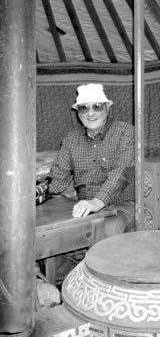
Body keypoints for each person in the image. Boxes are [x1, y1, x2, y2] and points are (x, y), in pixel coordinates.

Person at [47, 83, 135, 282]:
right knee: (52, 232)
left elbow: (121, 174)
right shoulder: (71, 139)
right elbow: (58, 176)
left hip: (122, 204)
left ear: (107, 108)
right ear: (77, 112)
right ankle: (68, 282)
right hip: (84, 207)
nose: (91, 113)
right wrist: (38, 189)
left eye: (97, 106)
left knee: (107, 228)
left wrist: (97, 202)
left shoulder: (126, 133)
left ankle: (109, 285)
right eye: (84, 107)